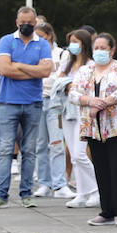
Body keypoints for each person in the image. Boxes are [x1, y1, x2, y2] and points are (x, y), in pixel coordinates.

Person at [0, 7, 54, 209]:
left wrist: (19, 66)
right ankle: (1, 194)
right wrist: (33, 70)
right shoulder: (6, 41)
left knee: (30, 150)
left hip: (33, 102)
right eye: (23, 22)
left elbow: (46, 71)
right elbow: (4, 69)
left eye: (30, 23)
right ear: (17, 22)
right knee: (6, 149)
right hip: (8, 101)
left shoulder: (42, 44)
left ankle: (26, 193)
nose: (26, 25)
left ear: (36, 23)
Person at [69, 33, 117, 227]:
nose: (99, 51)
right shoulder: (85, 70)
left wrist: (102, 103)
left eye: (103, 48)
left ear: (112, 50)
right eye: (96, 48)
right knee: (101, 169)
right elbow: (74, 93)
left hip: (116, 126)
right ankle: (106, 211)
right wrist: (89, 101)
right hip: (92, 127)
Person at [55, 30, 99, 209]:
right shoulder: (67, 64)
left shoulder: (91, 64)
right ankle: (82, 192)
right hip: (67, 111)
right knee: (73, 155)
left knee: (81, 154)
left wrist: (69, 86)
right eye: (70, 41)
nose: (73, 45)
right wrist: (68, 85)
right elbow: (57, 83)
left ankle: (97, 189)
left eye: (76, 41)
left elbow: (85, 88)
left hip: (83, 111)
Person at [32, 23, 71, 198]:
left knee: (56, 143)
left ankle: (60, 183)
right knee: (40, 144)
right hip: (37, 99)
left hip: (55, 102)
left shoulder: (62, 54)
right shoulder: (34, 52)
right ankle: (44, 183)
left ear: (48, 35)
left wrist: (41, 75)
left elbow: (60, 78)